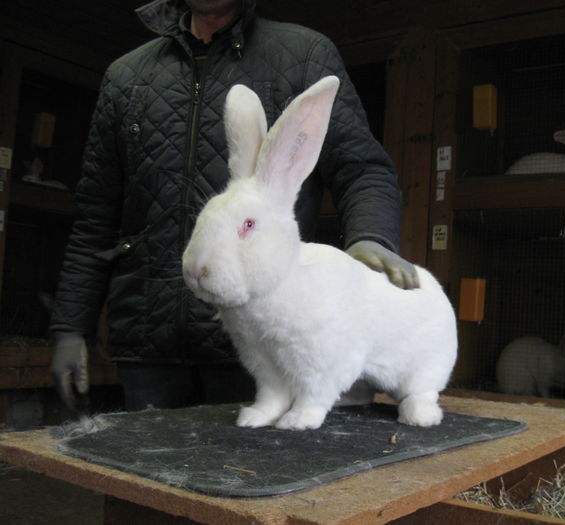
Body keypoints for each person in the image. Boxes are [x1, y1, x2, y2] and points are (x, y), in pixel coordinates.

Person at [49, 0, 418, 412]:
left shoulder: (302, 54)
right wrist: (70, 326)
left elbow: (362, 169)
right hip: (149, 342)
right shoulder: (126, 78)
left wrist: (370, 236)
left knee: (254, 472)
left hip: (265, 338)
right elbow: (95, 217)